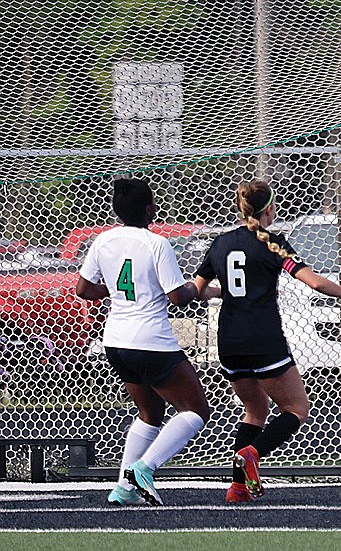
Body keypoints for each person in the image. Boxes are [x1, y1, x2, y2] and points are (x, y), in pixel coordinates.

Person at [192, 180, 341, 502]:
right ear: (269, 208)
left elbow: (199, 289)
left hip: (229, 341)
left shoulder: (220, 243)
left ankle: (237, 488)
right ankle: (252, 453)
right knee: (296, 408)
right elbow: (313, 282)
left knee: (254, 410)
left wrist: (226, 292)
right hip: (263, 339)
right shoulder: (273, 243)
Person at [75, 178, 209, 507]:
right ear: (150, 209)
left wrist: (116, 292)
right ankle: (144, 469)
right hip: (151, 341)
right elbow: (178, 297)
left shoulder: (102, 240)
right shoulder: (157, 243)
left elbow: (83, 290)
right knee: (196, 411)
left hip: (116, 341)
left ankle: (123, 488)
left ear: (117, 210)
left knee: (150, 411)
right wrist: (198, 287)